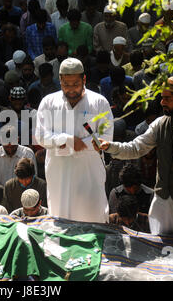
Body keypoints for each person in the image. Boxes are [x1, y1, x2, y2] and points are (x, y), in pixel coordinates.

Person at [95, 75, 173, 239]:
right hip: (163, 203)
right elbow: (136, 147)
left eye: (167, 98)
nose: (162, 102)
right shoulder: (160, 124)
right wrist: (110, 146)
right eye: (162, 98)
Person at [35, 57, 114, 223]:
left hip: (89, 174)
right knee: (61, 224)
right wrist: (68, 140)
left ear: (84, 79)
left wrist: (80, 144)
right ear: (60, 80)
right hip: (59, 175)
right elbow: (41, 136)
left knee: (93, 222)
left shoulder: (99, 103)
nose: (71, 90)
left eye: (75, 84)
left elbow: (106, 138)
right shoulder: (49, 102)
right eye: (66, 85)